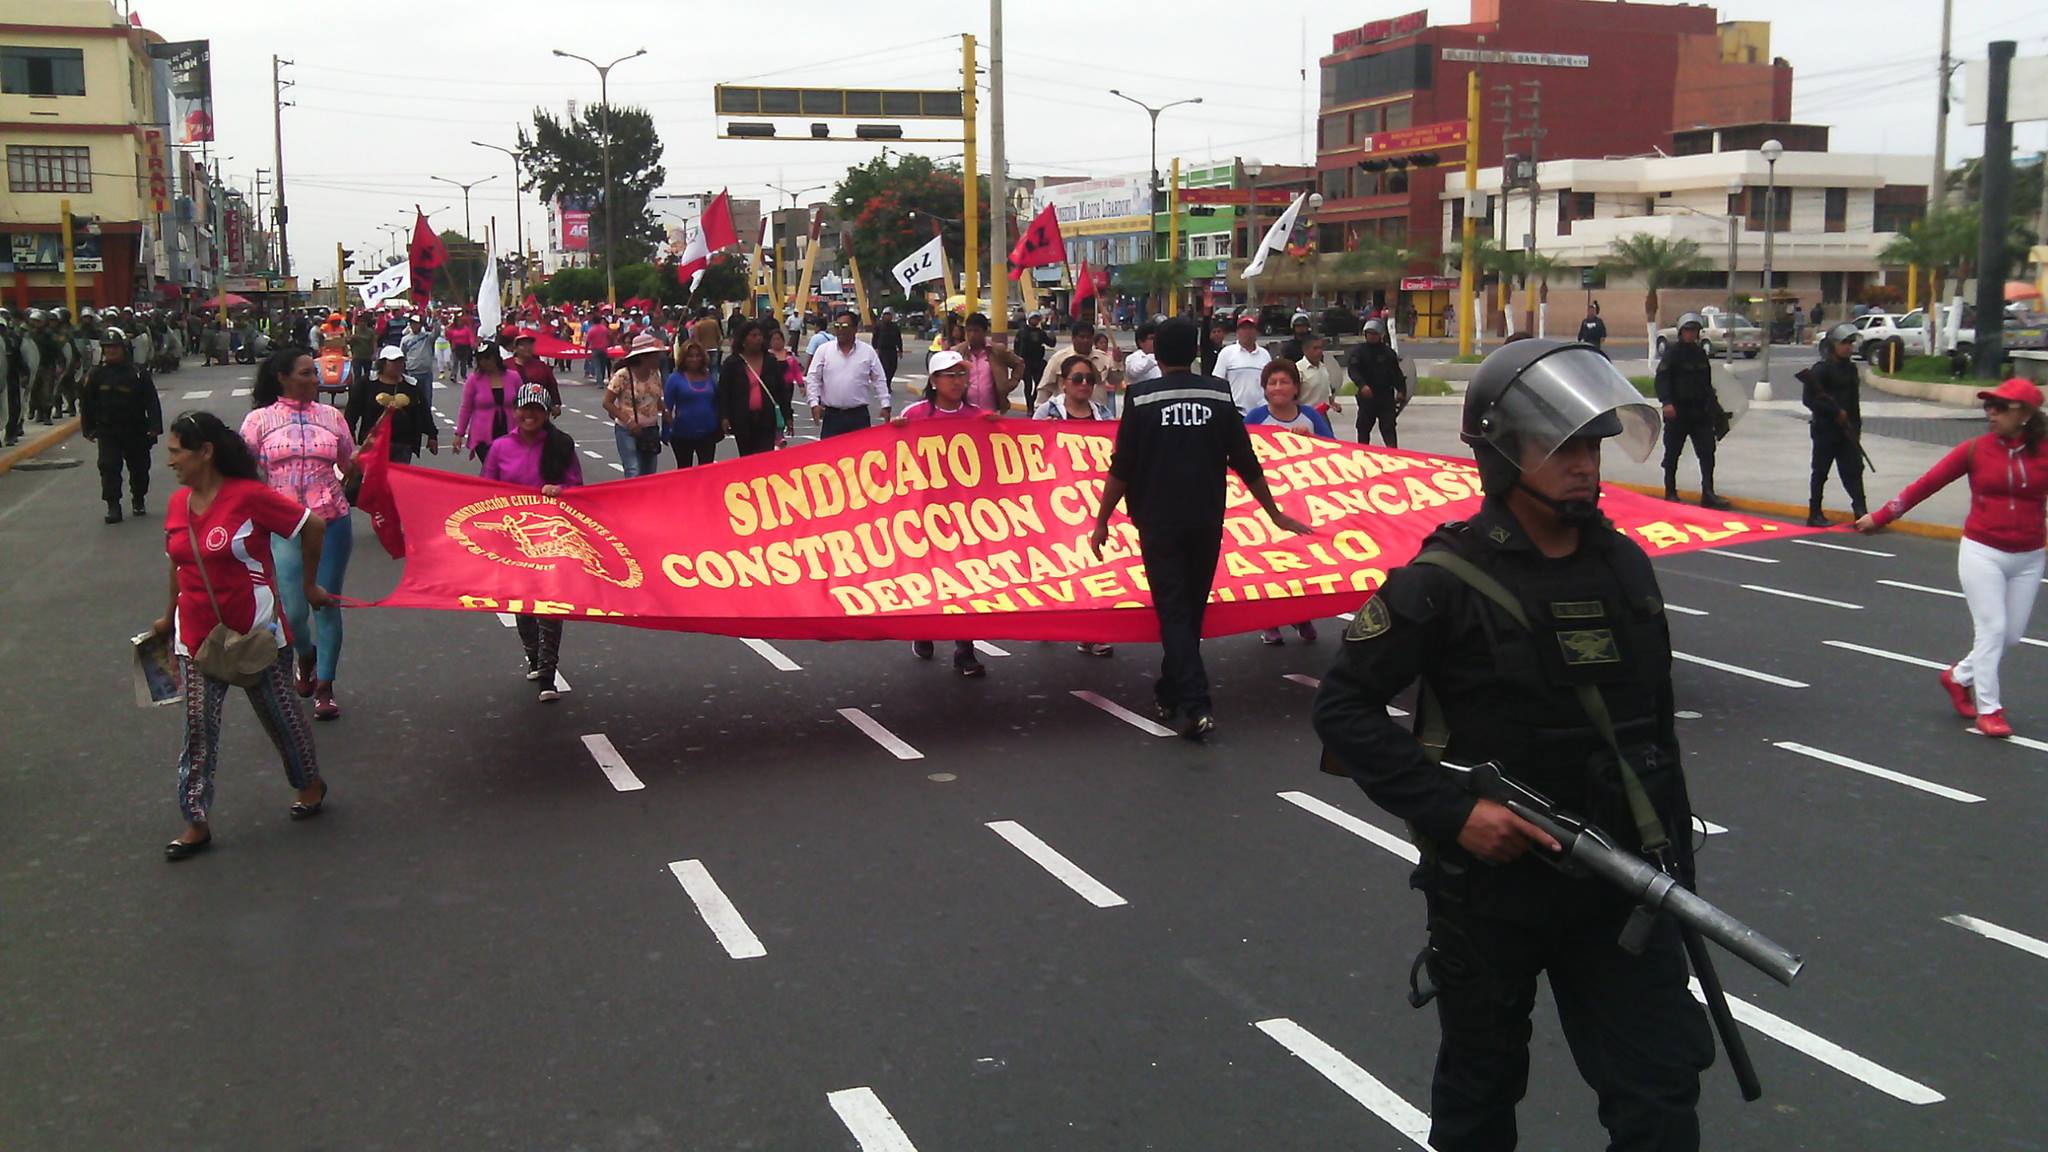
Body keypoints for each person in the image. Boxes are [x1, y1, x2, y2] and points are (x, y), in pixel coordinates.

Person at [1312, 337, 1712, 1152]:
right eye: (1559, 445)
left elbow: (1654, 734)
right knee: (1481, 1090)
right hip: (1496, 892)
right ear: (1502, 452)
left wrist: (1678, 879)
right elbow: (1344, 708)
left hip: (1623, 888)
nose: (1583, 465)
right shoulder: (1443, 582)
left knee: (1660, 1098)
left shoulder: (1627, 569)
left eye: (1594, 445)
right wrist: (1454, 814)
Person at [1088, 317, 1311, 738]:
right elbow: (1245, 461)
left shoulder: (1139, 398)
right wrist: (1274, 512)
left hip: (1157, 522)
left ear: (1156, 354)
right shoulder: (1218, 394)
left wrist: (1102, 520)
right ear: (1194, 352)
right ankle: (1173, 693)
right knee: (1188, 611)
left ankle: (1191, 702)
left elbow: (1123, 467)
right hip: (1206, 519)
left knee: (1175, 611)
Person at [151, 410, 331, 861]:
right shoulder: (177, 505)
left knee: (281, 718)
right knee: (199, 727)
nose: (169, 461)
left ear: (205, 452)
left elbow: (312, 525)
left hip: (256, 636)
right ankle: (195, 820)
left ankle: (309, 783)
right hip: (196, 638)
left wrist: (309, 585)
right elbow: (180, 562)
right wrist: (166, 615)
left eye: (176, 452)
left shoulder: (249, 497)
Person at [1857, 378, 2048, 738]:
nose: (1990, 412)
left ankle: (1958, 676)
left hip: (2029, 557)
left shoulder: (2044, 452)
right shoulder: (1975, 450)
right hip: (1983, 551)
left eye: (2000, 407)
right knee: (1991, 629)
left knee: (2010, 636)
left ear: (2024, 414)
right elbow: (1925, 484)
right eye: (1988, 406)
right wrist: (1881, 516)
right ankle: (1990, 710)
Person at [241, 345, 358, 721]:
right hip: (285, 526)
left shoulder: (333, 418)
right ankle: (304, 655)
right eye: (307, 373)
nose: (315, 379)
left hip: (332, 521)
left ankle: (325, 685)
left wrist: (368, 460)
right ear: (283, 378)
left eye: (315, 373)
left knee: (326, 603)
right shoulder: (259, 421)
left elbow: (349, 464)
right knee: (292, 609)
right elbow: (247, 476)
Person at [894, 349, 1003, 678]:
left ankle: (964, 649)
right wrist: (894, 432)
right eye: (950, 375)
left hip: (967, 515)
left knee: (965, 579)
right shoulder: (914, 415)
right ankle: (923, 628)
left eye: (961, 375)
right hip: (925, 513)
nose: (957, 381)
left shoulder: (978, 416)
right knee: (929, 577)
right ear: (934, 381)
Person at [482, 382, 584, 701]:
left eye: (536, 410)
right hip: (512, 538)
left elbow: (577, 486)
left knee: (551, 602)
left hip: (551, 535)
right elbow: (485, 490)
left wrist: (560, 490)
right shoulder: (500, 447)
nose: (529, 415)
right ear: (515, 412)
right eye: (524, 409)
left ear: (545, 413)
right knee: (523, 602)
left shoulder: (562, 444)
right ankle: (534, 656)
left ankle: (548, 675)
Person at [81, 327, 163, 524]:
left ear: (123, 348)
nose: (111, 351)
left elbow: (151, 401)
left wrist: (154, 427)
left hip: (135, 429)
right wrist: (88, 428)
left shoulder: (137, 373)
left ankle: (138, 498)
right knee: (109, 466)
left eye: (115, 347)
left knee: (139, 468)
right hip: (108, 430)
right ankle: (113, 505)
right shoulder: (95, 375)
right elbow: (87, 403)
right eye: (107, 348)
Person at [1653, 314, 1733, 510]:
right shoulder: (1672, 354)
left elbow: (1707, 384)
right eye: (1688, 330)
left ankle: (1708, 493)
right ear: (1681, 332)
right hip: (1678, 412)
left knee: (1707, 452)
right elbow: (1661, 380)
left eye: (1694, 331)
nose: (1691, 334)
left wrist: (1717, 410)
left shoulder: (1700, 354)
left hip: (1700, 412)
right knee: (1672, 453)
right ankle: (1670, 491)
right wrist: (1667, 402)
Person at [1799, 323, 1868, 526]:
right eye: (1844, 343)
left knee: (1854, 471)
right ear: (1833, 345)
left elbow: (1853, 402)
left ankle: (1861, 511)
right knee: (1820, 472)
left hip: (1847, 430)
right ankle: (1814, 512)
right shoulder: (1820, 370)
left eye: (1850, 342)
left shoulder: (1851, 369)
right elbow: (1809, 400)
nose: (1848, 347)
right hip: (1826, 430)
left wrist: (1855, 426)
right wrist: (1834, 412)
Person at [805, 308, 892, 438]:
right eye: (837, 326)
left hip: (858, 417)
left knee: (861, 455)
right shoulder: (824, 350)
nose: (840, 330)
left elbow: (879, 379)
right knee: (830, 455)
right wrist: (814, 403)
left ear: (855, 329)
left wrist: (885, 404)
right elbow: (813, 378)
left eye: (845, 326)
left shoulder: (867, 351)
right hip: (832, 416)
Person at [355, 345, 439, 463]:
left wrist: (432, 435)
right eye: (394, 362)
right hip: (374, 442)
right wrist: (350, 434)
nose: (398, 365)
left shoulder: (411, 386)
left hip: (403, 443)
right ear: (383, 363)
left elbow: (423, 411)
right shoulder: (367, 383)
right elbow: (353, 409)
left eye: (401, 361)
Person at [720, 319, 791, 457]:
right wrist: (724, 417)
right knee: (746, 458)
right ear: (743, 340)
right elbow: (724, 392)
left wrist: (787, 416)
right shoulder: (732, 363)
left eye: (760, 336)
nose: (758, 339)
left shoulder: (770, 361)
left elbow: (781, 390)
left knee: (764, 457)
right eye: (753, 336)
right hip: (742, 419)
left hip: (766, 418)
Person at [603, 331, 667, 478]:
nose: (659, 358)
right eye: (654, 355)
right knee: (633, 469)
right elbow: (607, 402)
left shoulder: (655, 374)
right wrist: (629, 421)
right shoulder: (623, 375)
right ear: (644, 357)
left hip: (650, 430)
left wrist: (666, 411)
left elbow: (655, 399)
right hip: (628, 431)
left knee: (649, 473)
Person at [453, 342, 523, 467]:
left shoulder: (514, 377)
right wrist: (459, 434)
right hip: (483, 435)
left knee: (508, 468)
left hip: (510, 432)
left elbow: (523, 404)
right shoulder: (474, 380)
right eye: (481, 359)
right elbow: (466, 408)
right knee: (491, 467)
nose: (485, 362)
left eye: (488, 358)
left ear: (496, 357)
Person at [1346, 319, 1409, 447]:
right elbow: (1353, 370)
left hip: (1385, 397)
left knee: (1388, 428)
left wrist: (1401, 390)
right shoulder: (1358, 352)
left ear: (1380, 335)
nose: (1372, 336)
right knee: (1363, 428)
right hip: (1367, 398)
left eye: (1374, 333)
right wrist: (1362, 385)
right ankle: (1362, 453)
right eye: (1369, 333)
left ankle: (1393, 454)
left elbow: (1396, 374)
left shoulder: (1389, 353)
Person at [1034, 318, 1121, 410]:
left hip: (1096, 415)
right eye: (1082, 337)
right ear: (1073, 338)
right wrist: (1040, 411)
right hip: (1067, 416)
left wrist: (1117, 362)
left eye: (1089, 337)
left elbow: (1115, 381)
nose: (1085, 341)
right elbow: (1045, 388)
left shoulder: (1103, 358)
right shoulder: (1059, 359)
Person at [664, 341, 723, 467]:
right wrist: (665, 431)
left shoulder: (709, 376)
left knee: (706, 470)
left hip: (708, 433)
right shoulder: (675, 379)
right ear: (684, 358)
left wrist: (722, 421)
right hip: (683, 434)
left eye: (697, 355)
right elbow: (667, 407)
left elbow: (717, 401)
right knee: (685, 470)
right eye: (690, 356)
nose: (694, 359)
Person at [958, 312, 1026, 415]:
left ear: (985, 332)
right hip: (964, 412)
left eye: (976, 331)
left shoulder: (997, 350)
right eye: (969, 331)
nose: (972, 335)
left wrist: (1009, 385)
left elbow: (1019, 364)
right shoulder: (958, 352)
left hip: (992, 411)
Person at [1213, 313, 1272, 413]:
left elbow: (1270, 382)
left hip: (1261, 410)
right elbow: (1218, 382)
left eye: (1250, 328)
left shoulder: (1265, 354)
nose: (1247, 332)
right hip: (1235, 410)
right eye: (1243, 328)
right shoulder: (1227, 352)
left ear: (1256, 332)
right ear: (1237, 332)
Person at [509, 331, 563, 416]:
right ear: (515, 348)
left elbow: (551, 385)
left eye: (530, 345)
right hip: (513, 411)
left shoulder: (541, 366)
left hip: (539, 410)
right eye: (523, 345)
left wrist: (556, 405)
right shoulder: (506, 365)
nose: (527, 348)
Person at [400, 313, 439, 410]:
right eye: (413, 323)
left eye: (417, 323)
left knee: (426, 400)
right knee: (413, 399)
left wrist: (435, 320)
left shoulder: (427, 337)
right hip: (412, 372)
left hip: (426, 373)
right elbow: (402, 354)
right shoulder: (405, 339)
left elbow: (437, 332)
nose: (415, 326)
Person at [1296, 332, 1339, 417]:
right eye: (1315, 348)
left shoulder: (1323, 367)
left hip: (1322, 414)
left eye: (1320, 348)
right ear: (1305, 350)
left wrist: (1332, 403)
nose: (1319, 351)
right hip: (1304, 415)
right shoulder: (1298, 370)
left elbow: (1326, 390)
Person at [1014, 310, 1051, 398]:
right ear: (1029, 319)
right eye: (1033, 318)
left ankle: (1033, 400)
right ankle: (1029, 406)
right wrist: (1018, 360)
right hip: (1025, 361)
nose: (1035, 321)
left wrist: (1052, 336)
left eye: (1037, 319)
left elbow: (1050, 343)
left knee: (1039, 383)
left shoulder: (1041, 333)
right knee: (1028, 385)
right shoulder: (1022, 332)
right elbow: (1017, 347)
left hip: (1037, 362)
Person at [1123, 320, 1162, 389]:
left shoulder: (1164, 357)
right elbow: (1135, 372)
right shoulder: (1132, 358)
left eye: (1158, 338)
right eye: (1152, 338)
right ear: (1140, 342)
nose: (1156, 341)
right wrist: (1154, 358)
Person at [872, 308, 904, 389]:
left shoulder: (895, 326)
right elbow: (875, 337)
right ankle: (885, 385)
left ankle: (888, 382)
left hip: (892, 349)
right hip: (883, 350)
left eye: (889, 316)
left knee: (893, 367)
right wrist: (875, 348)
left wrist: (900, 350)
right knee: (885, 367)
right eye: (886, 316)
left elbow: (898, 338)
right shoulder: (879, 326)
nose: (887, 318)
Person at [692, 309, 723, 378]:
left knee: (702, 370)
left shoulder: (698, 325)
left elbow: (696, 340)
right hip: (714, 349)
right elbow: (720, 337)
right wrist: (718, 346)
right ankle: (715, 386)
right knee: (714, 369)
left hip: (703, 350)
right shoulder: (714, 323)